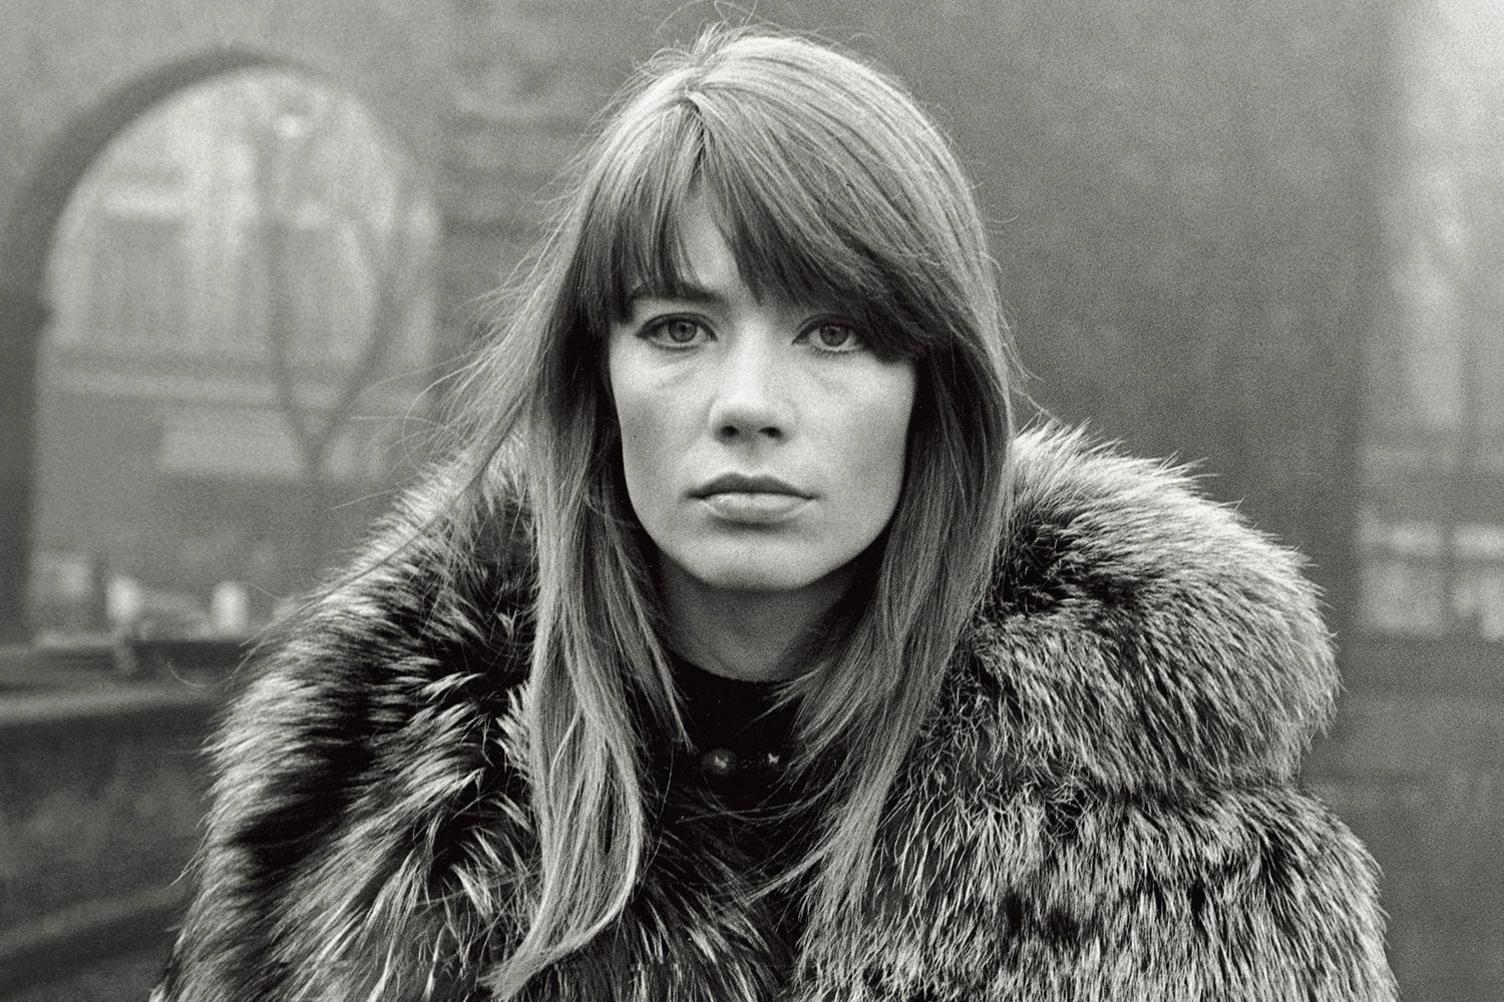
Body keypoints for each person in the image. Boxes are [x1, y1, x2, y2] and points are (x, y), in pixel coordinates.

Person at [152, 26, 1396, 1002]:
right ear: (600, 380)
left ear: (930, 391)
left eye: (835, 329)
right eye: (679, 328)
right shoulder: (348, 832)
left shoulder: (1196, 875)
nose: (748, 405)